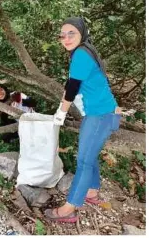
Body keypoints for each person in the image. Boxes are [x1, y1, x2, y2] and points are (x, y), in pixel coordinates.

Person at [45, 17, 121, 223]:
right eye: (63, 34)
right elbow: (73, 84)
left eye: (72, 33)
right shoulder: (84, 51)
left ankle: (69, 208)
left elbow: (71, 90)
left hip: (100, 115)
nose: (66, 38)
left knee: (84, 160)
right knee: (90, 153)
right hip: (106, 112)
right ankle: (92, 191)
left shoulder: (80, 54)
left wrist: (60, 113)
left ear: (82, 34)